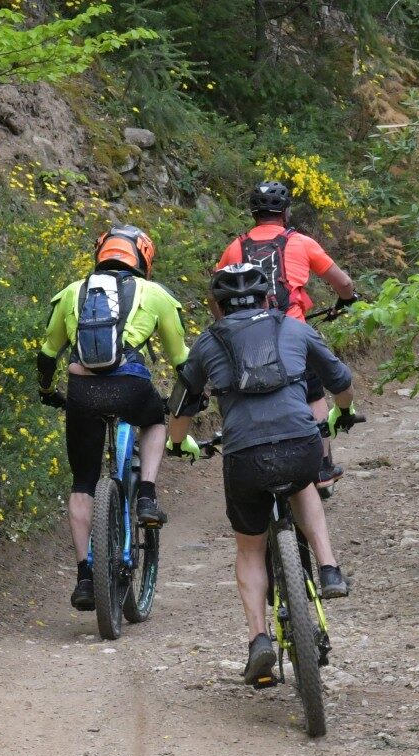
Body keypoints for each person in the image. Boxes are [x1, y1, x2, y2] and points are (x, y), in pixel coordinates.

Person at [166, 263, 360, 685]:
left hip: (245, 457)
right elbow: (341, 381)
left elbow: (181, 405)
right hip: (300, 445)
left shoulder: (208, 342)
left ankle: (258, 639)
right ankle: (328, 568)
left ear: (218, 307)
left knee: (251, 549)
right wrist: (343, 412)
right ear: (268, 298)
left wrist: (177, 443)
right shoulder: (295, 328)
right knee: (305, 483)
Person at [36, 225, 189, 612]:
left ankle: (85, 577)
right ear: (144, 259)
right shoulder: (154, 294)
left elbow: (48, 352)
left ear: (100, 254)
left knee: (82, 483)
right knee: (155, 420)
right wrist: (190, 398)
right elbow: (181, 360)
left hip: (82, 392)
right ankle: (147, 496)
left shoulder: (73, 292)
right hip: (130, 388)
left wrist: (47, 390)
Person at [215, 181, 362, 486]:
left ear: (253, 214)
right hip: (291, 331)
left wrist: (225, 324)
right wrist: (346, 300)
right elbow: (344, 284)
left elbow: (214, 293)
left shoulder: (235, 248)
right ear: (285, 212)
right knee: (313, 392)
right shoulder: (301, 243)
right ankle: (322, 467)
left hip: (246, 336)